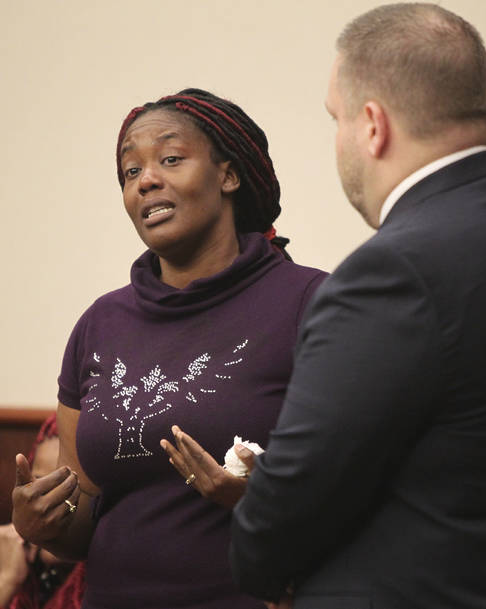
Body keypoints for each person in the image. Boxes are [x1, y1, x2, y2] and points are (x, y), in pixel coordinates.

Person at [230, 4, 486, 609]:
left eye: (336, 119)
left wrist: (259, 528)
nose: (337, 140)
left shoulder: (390, 273)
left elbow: (275, 527)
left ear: (372, 125)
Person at [12, 88, 326, 609]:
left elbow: (365, 488)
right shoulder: (100, 324)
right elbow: (84, 518)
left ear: (229, 175)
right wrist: (42, 524)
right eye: (130, 171)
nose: (146, 180)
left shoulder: (312, 303)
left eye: (171, 159)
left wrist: (262, 502)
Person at [1, 415, 86, 609]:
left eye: (69, 488)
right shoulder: (12, 557)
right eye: (41, 486)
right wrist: (7, 580)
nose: (48, 504)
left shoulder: (112, 584)